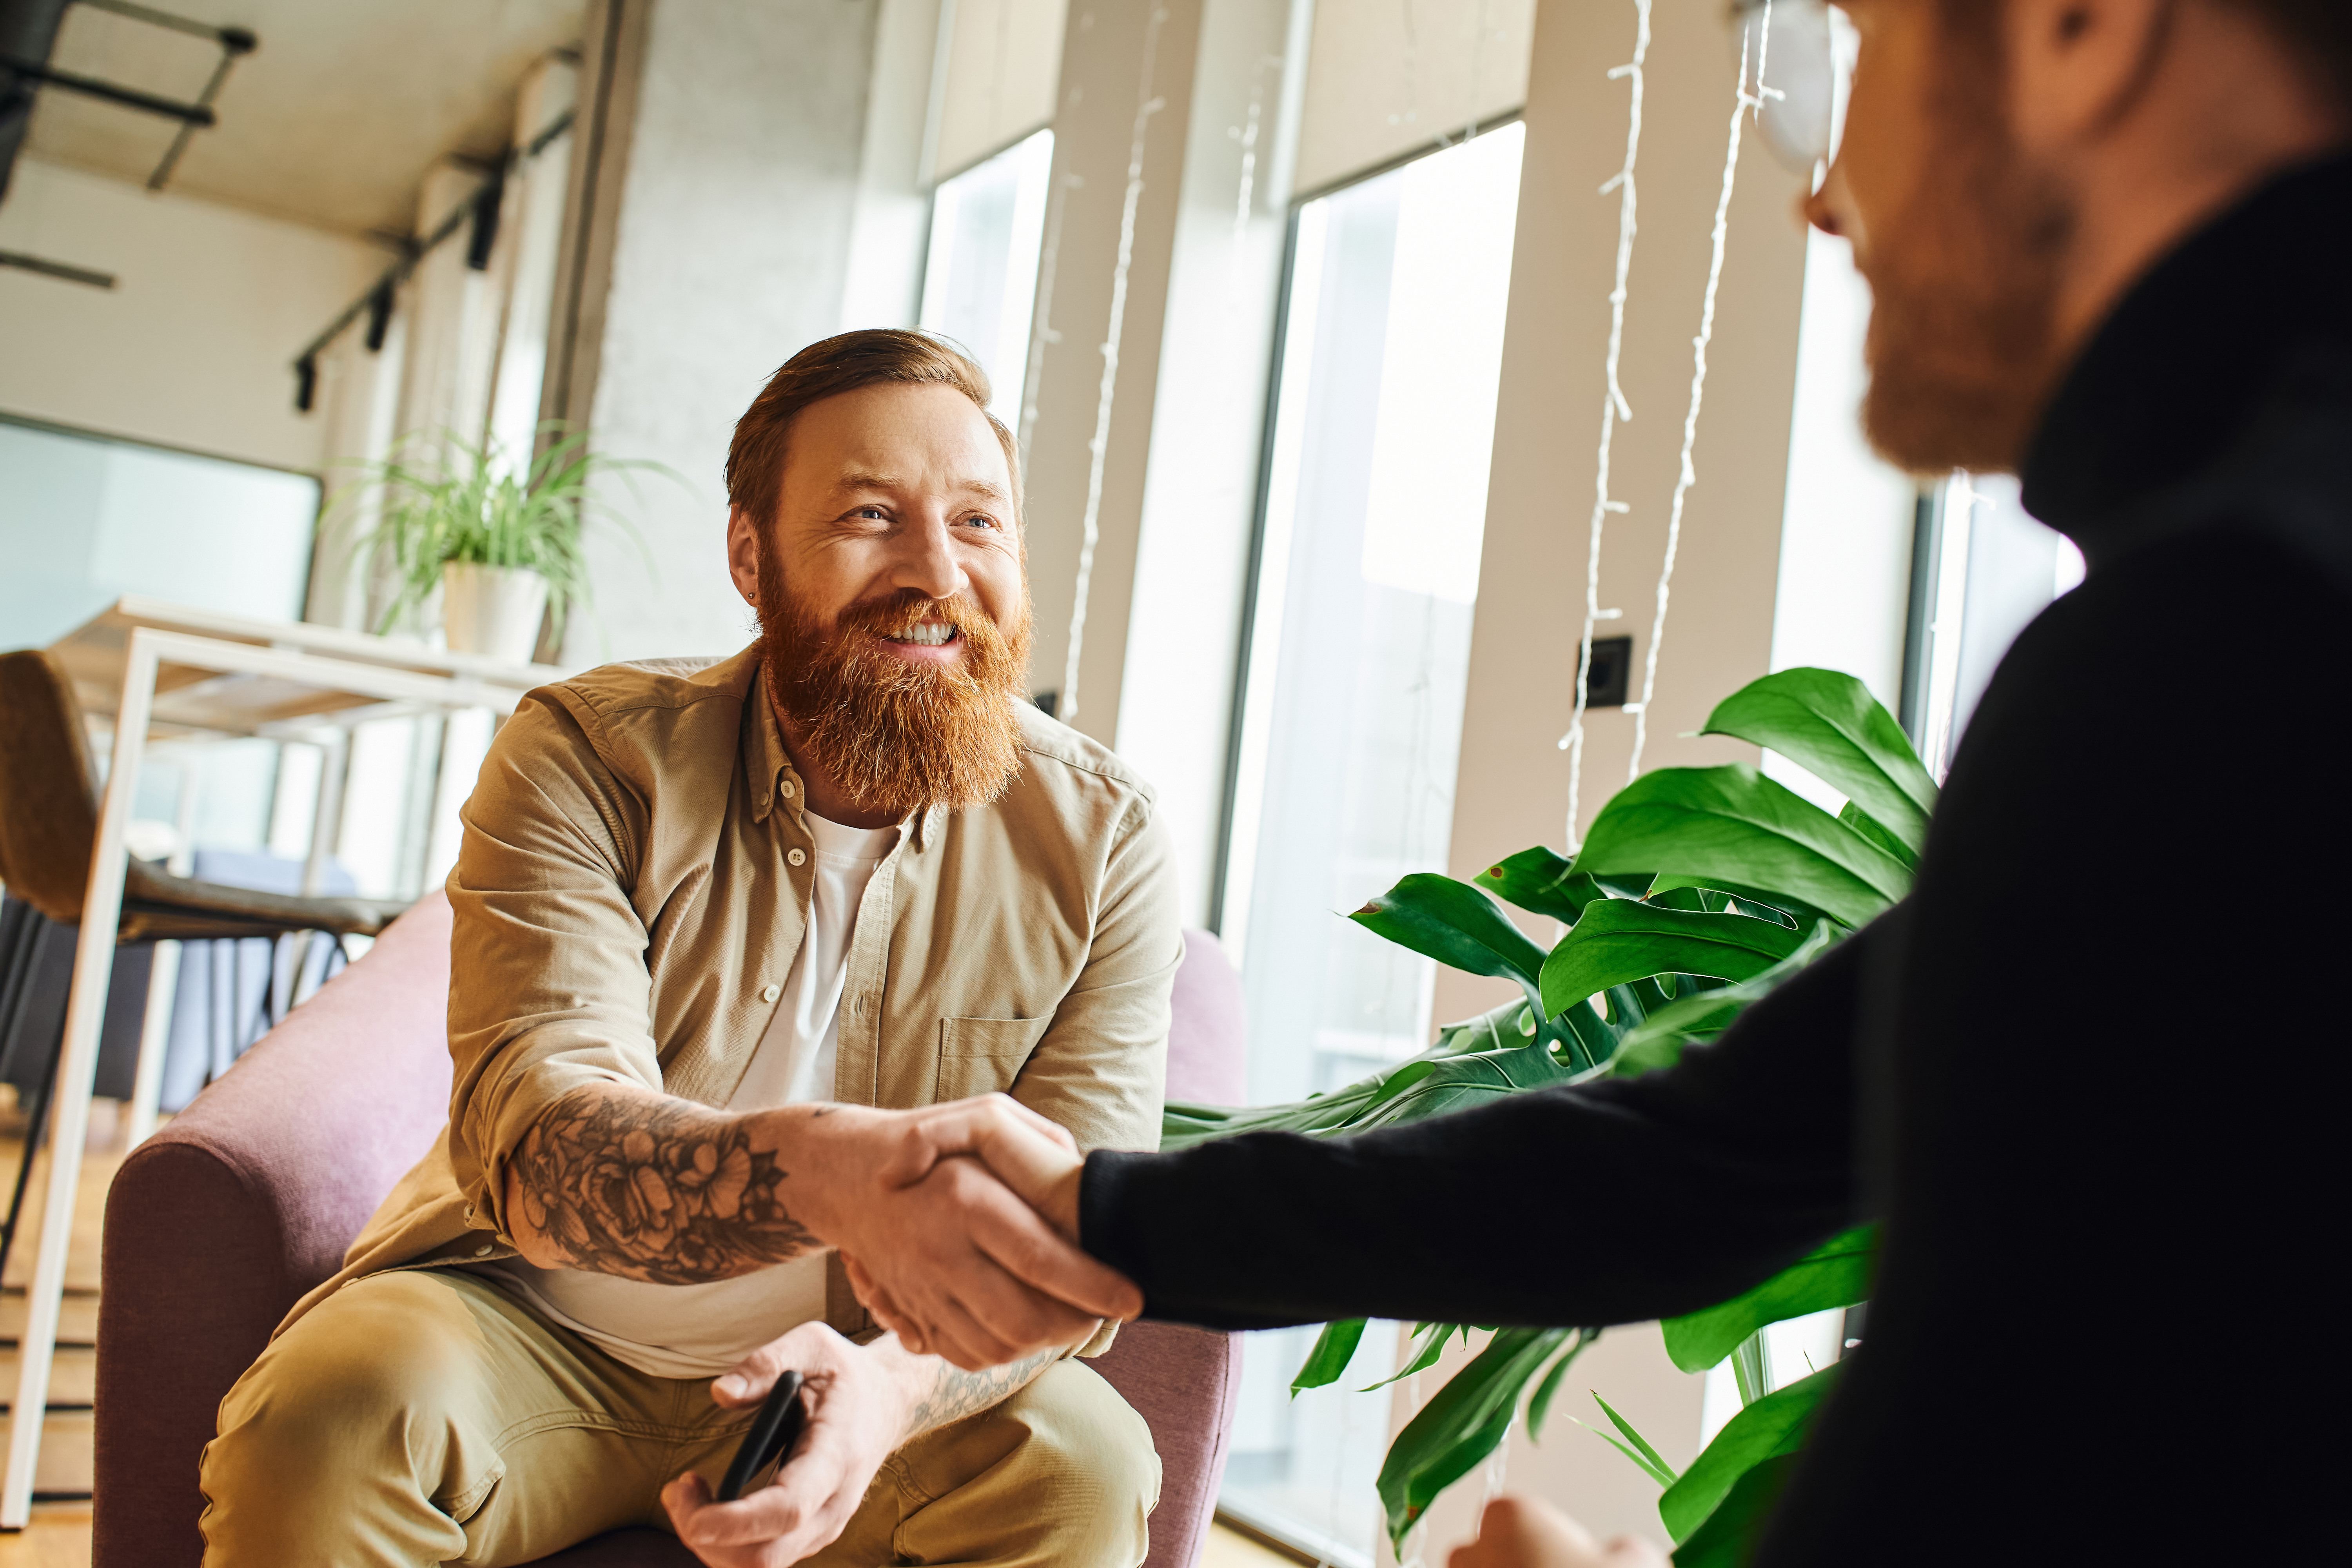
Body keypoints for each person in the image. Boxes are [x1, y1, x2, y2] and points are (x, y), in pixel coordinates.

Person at [861, 2, 2352, 1565]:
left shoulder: (2229, 644)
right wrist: (1104, 1218)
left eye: (1855, 45)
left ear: (2084, 26)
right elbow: (1707, 1155)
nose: (1824, 191)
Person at [197, 330, 1173, 1568]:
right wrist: (835, 1175)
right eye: (872, 514)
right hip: (533, 1335)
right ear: (750, 557)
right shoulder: (590, 758)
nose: (936, 569)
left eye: (978, 523)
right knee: (329, 1421)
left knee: (1083, 1468)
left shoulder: (1105, 839)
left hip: (874, 1375)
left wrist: (887, 1393)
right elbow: (545, 1147)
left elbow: (1075, 1233)